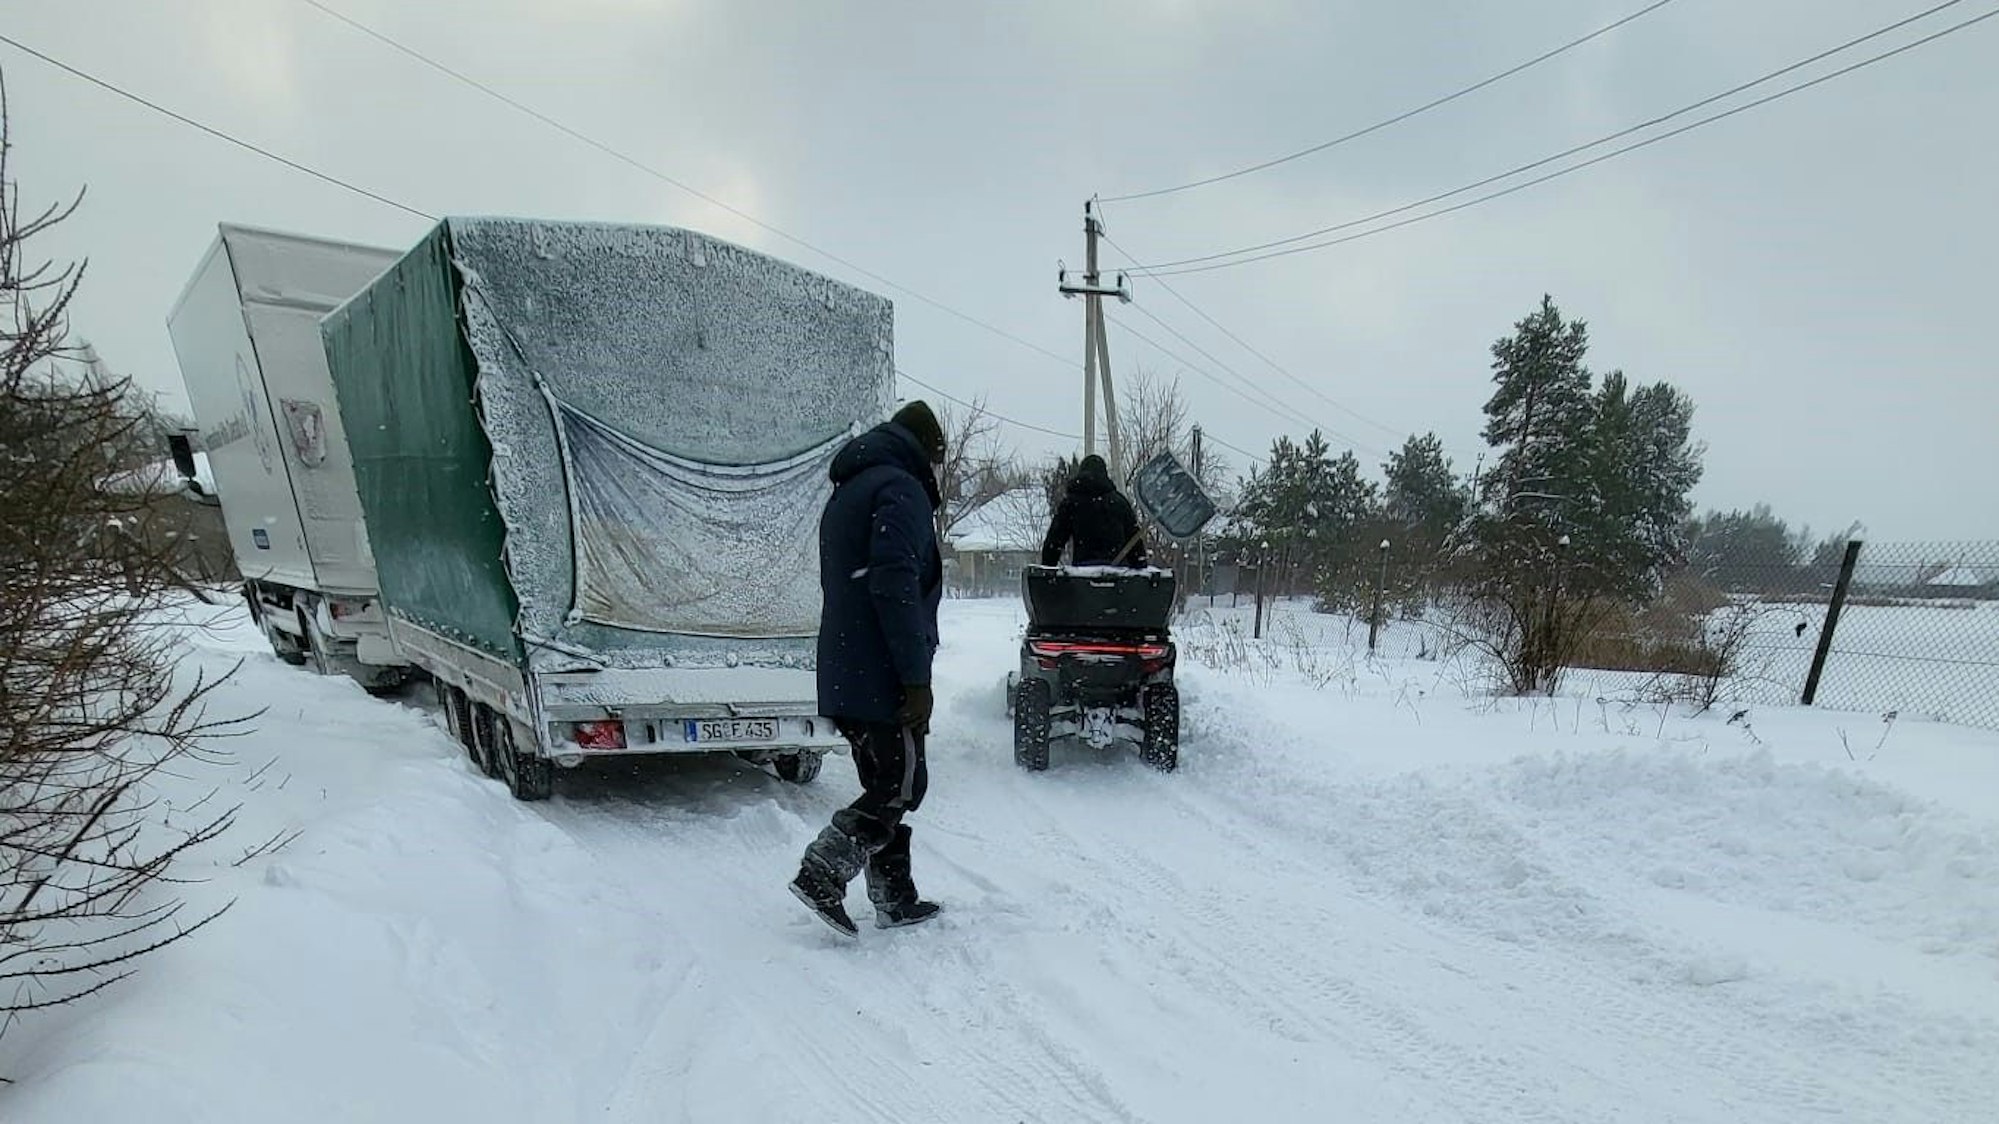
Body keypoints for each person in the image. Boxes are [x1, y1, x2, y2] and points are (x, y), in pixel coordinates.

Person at [790, 400, 947, 937]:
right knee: (895, 786)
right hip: (881, 672)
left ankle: (894, 896)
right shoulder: (899, 490)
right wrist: (914, 678)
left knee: (891, 781)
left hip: (847, 668)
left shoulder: (850, 490)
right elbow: (893, 584)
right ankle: (822, 871)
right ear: (928, 448)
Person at [1041, 454, 1148, 568]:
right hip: (1118, 576)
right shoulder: (1119, 503)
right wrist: (1140, 566)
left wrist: (1048, 569)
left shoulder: (1071, 503)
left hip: (1082, 575)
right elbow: (1135, 544)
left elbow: (1054, 542)